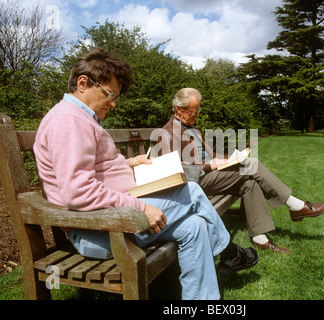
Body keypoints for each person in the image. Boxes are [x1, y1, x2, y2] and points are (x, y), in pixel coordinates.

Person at [33, 49, 258, 300]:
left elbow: (93, 170)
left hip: (113, 221)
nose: (114, 103)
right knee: (192, 191)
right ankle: (229, 253)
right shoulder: (69, 120)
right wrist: (140, 208)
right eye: (110, 94)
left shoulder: (79, 118)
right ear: (83, 83)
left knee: (194, 225)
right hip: (101, 230)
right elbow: (77, 191)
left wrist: (130, 163)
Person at [157, 88, 324, 254]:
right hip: (195, 184)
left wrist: (226, 160)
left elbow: (204, 156)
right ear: (179, 109)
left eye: (198, 111)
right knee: (251, 165)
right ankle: (295, 206)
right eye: (193, 112)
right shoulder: (166, 133)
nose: (196, 115)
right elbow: (176, 170)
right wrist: (210, 165)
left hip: (210, 175)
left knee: (249, 181)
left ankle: (259, 238)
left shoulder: (191, 127)